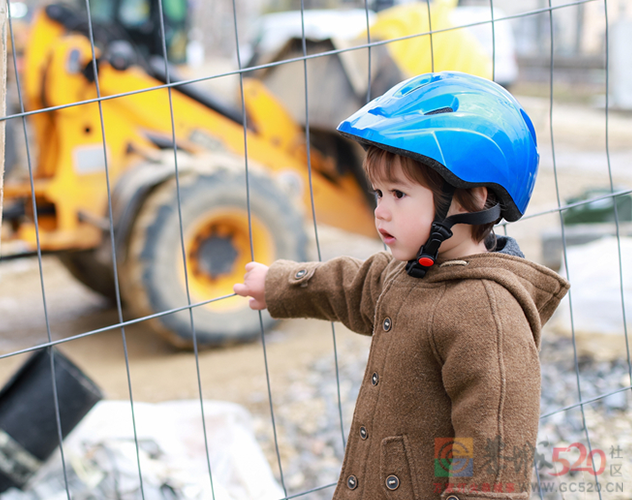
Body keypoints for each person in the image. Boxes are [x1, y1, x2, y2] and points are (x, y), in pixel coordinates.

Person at [233, 71, 570, 499]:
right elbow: (351, 285)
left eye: (399, 194)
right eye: (378, 193)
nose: (381, 212)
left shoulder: (489, 316)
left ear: (475, 198)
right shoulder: (410, 269)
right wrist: (278, 283)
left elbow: (493, 458)